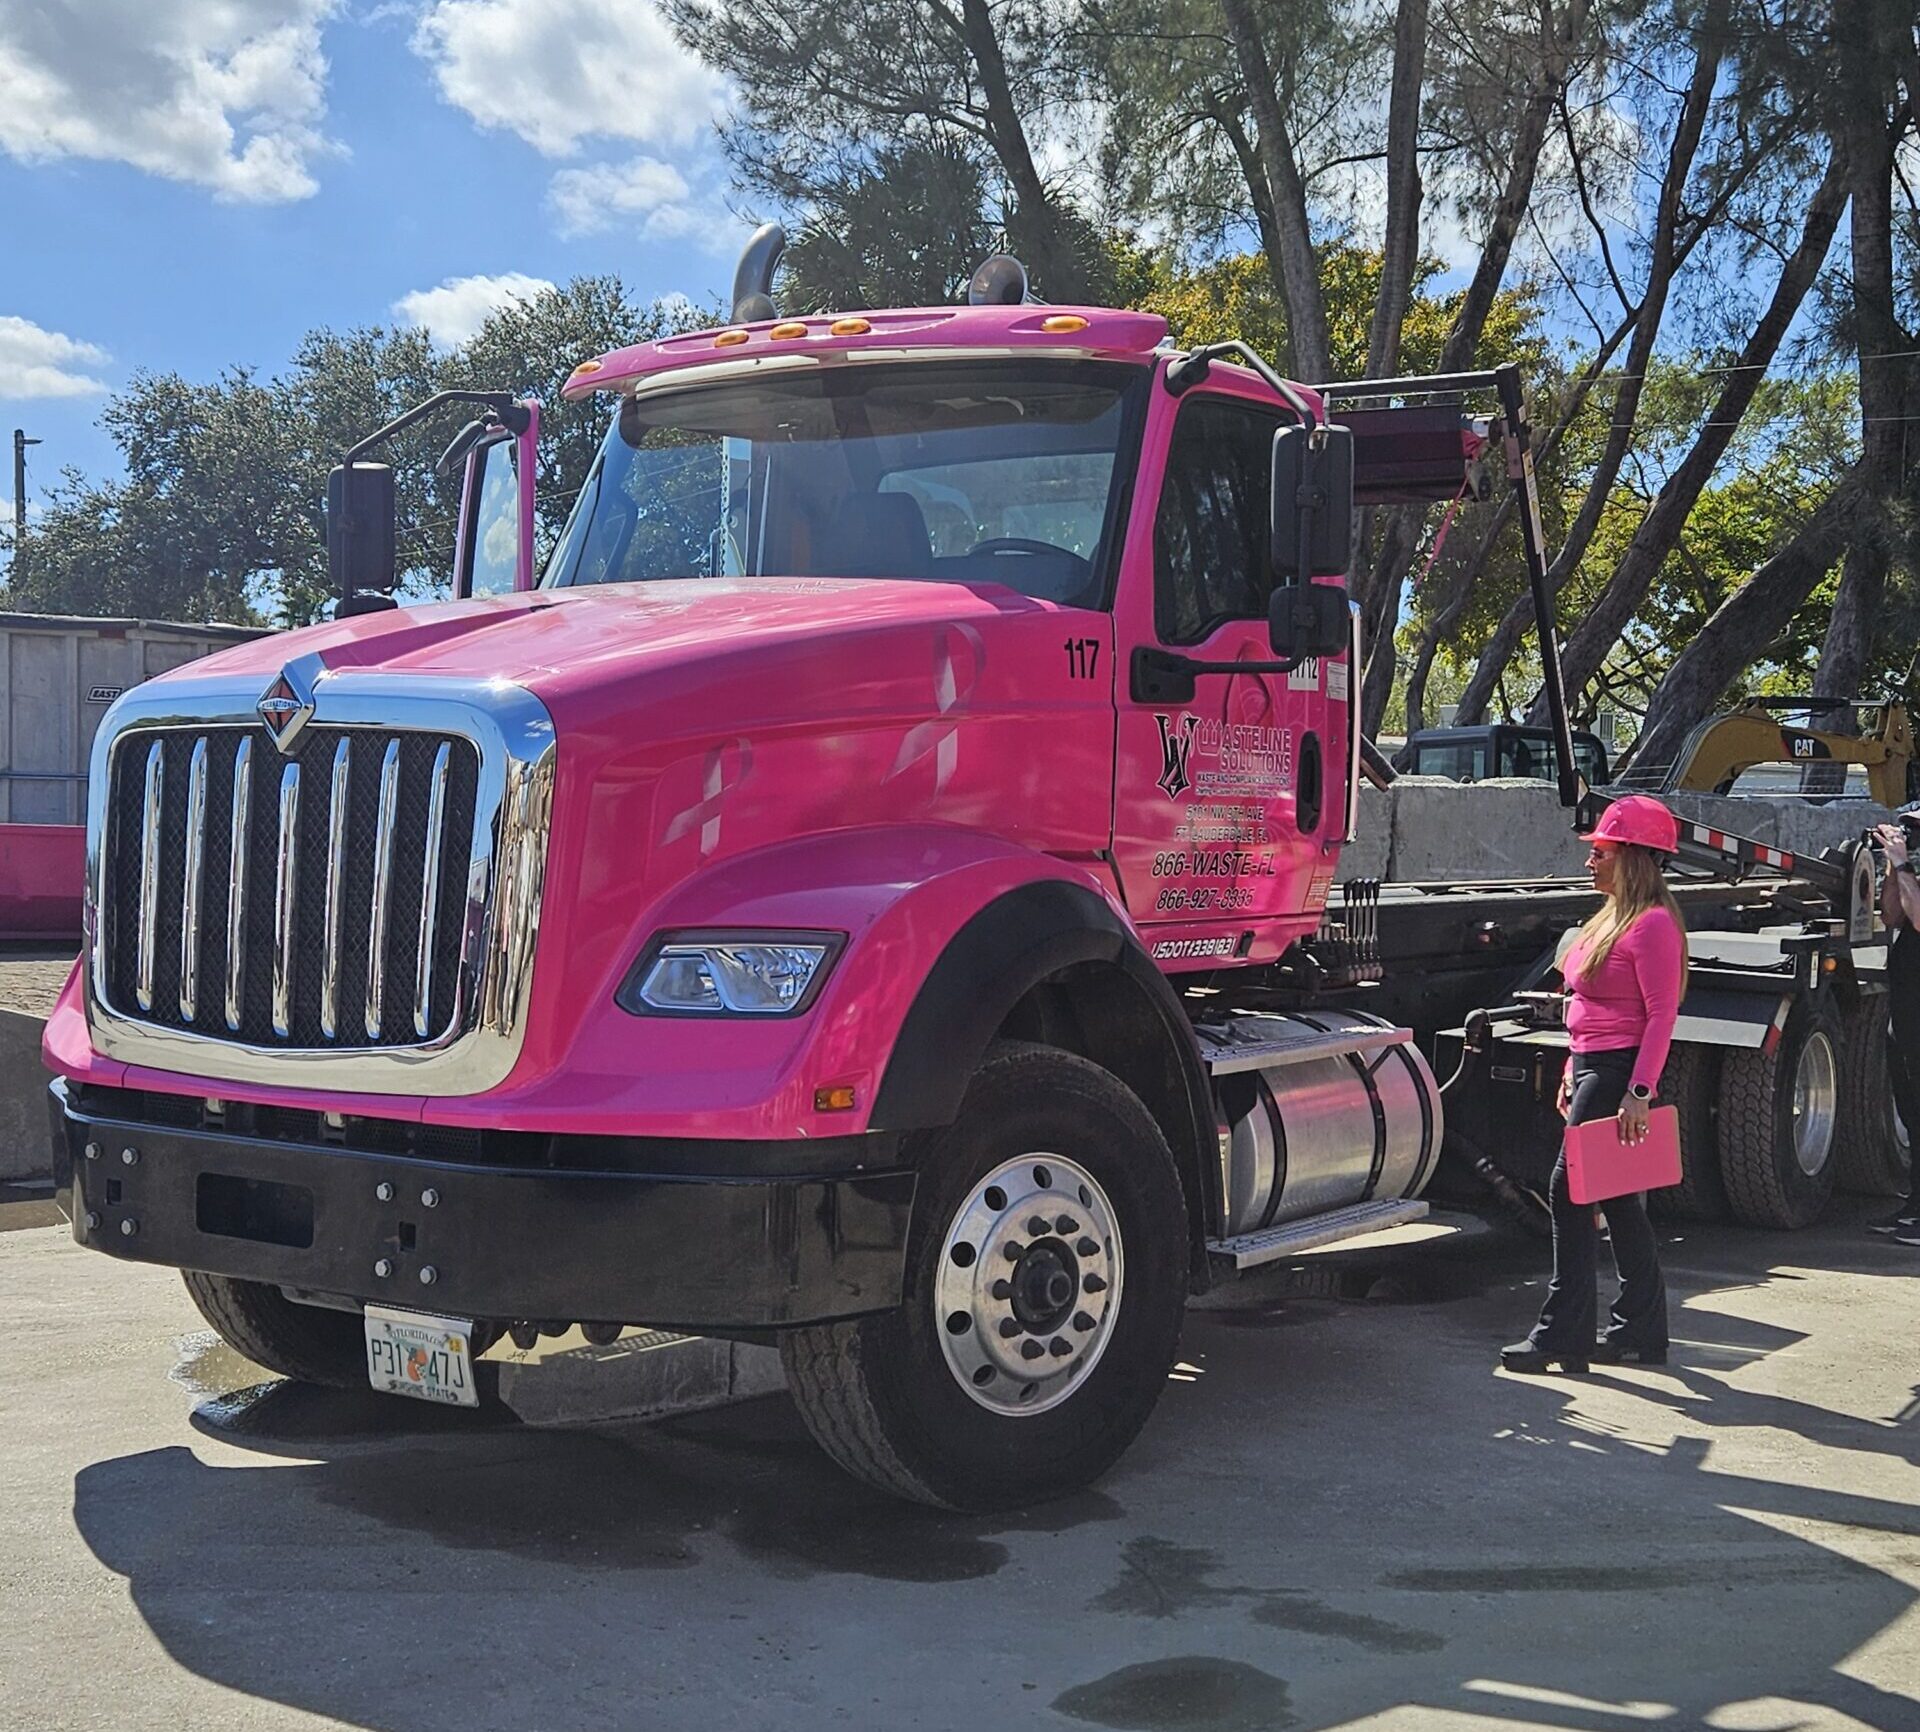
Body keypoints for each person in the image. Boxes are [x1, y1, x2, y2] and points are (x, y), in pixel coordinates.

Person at [1502, 795, 1684, 1374]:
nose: (1591, 859)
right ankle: (1640, 1330)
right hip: (1590, 1067)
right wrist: (1566, 1068)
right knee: (1617, 1200)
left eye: (1600, 850)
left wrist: (1639, 1092)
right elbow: (1580, 1001)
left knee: (1569, 1191)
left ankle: (1564, 1334)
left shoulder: (1654, 925)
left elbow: (1661, 1016)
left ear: (1631, 857)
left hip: (1616, 1071)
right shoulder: (1609, 917)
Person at [1867, 810, 1920, 1244]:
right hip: (1906, 1008)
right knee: (1911, 1111)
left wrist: (1903, 864)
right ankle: (1914, 1205)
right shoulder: (1908, 873)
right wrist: (1890, 865)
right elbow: (1891, 917)